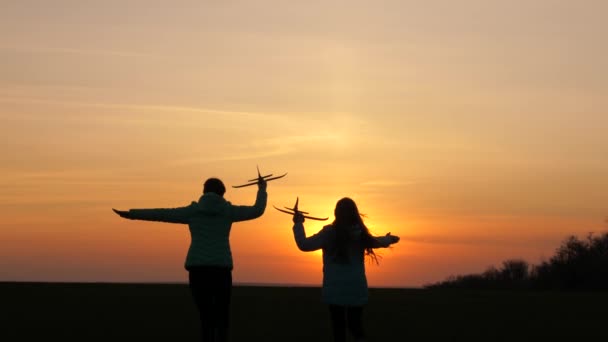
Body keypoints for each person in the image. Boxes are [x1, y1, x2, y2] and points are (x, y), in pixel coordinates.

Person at [113, 177, 267, 342]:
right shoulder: (228, 211)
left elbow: (162, 214)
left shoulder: (193, 211)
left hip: (198, 269)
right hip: (221, 269)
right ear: (222, 193)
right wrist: (262, 188)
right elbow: (257, 210)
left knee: (205, 315)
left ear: (204, 191)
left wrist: (132, 214)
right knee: (222, 314)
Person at [291, 197, 399, 342]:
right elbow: (376, 241)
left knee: (338, 329)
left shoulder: (329, 233)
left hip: (334, 290)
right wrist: (389, 239)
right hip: (356, 288)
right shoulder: (360, 234)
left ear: (336, 213)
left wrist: (298, 224)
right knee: (356, 326)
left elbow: (304, 245)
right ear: (355, 213)